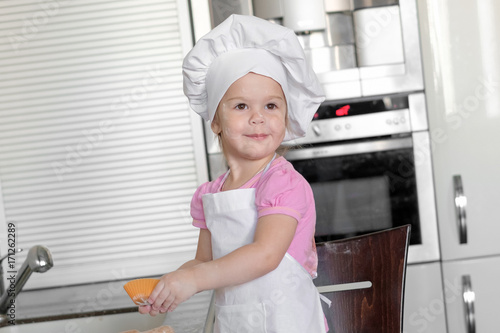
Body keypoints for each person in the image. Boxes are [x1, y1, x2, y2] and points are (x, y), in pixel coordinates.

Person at [139, 14, 327, 332]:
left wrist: (195, 279)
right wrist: (170, 287)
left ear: (287, 113)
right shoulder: (211, 194)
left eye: (271, 106)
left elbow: (265, 254)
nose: (257, 118)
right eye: (241, 106)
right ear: (215, 120)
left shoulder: (282, 182)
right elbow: (203, 262)